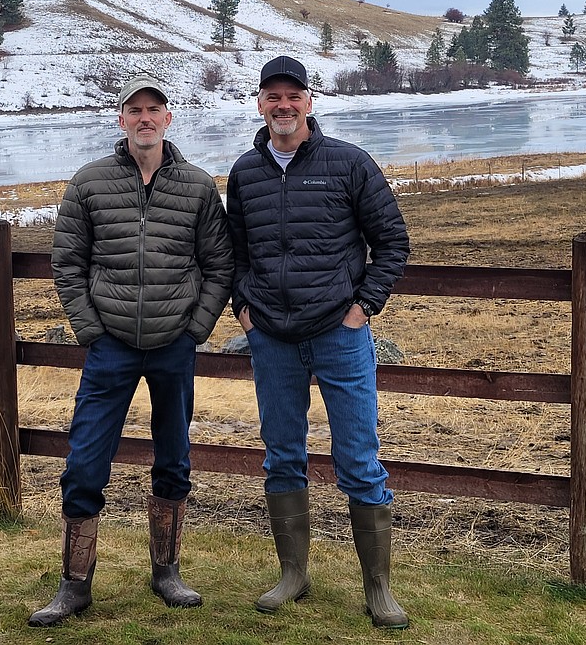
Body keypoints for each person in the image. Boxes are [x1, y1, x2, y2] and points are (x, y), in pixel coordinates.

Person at [29, 73, 234, 627]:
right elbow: (68, 264)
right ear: (120, 120)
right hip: (110, 346)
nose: (144, 118)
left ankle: (166, 571)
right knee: (86, 459)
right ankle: (75, 584)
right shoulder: (90, 183)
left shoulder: (195, 186)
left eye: (154, 109)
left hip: (175, 345)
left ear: (169, 118)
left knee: (173, 456)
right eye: (134, 110)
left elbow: (218, 264)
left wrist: (196, 328)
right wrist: (90, 330)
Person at [226, 55, 412, 629]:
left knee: (358, 457)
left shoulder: (349, 163)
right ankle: (293, 574)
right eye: (272, 95)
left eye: (293, 95)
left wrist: (361, 310)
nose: (283, 105)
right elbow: (233, 252)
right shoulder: (245, 173)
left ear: (310, 101)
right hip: (272, 340)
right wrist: (245, 313)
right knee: (282, 456)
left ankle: (378, 587)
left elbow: (393, 243)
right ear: (259, 103)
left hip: (339, 334)